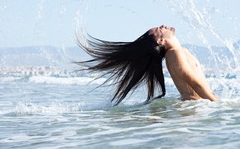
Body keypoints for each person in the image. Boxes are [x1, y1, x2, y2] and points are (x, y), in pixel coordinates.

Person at [77, 25, 218, 105]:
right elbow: (194, 82)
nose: (162, 26)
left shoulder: (179, 52)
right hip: (194, 112)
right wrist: (217, 104)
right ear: (161, 41)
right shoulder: (174, 53)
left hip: (195, 108)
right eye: (158, 30)